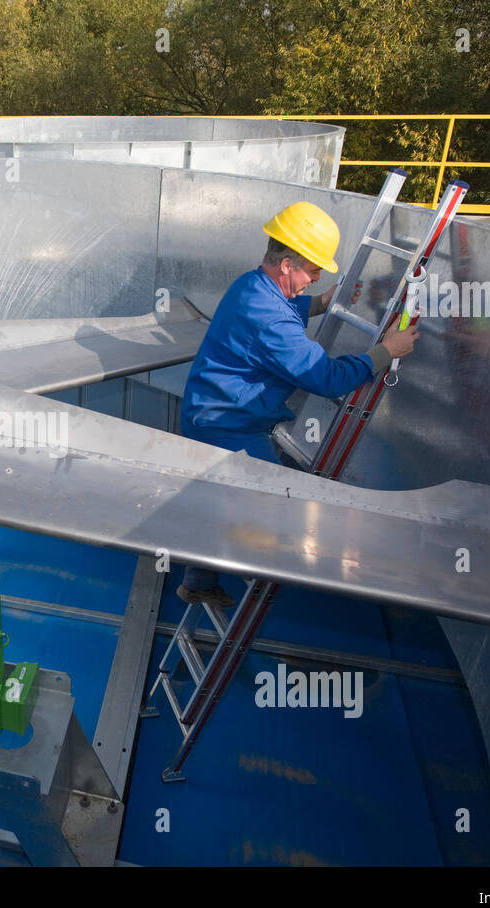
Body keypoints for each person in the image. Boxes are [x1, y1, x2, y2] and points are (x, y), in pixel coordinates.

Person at [177, 200, 420, 606]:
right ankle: (258, 573)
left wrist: (321, 303)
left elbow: (283, 306)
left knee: (216, 506)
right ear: (287, 264)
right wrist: (385, 351)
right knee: (274, 509)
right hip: (228, 428)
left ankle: (197, 583)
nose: (316, 276)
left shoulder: (251, 284)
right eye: (312, 269)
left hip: (213, 414)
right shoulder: (271, 320)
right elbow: (325, 378)